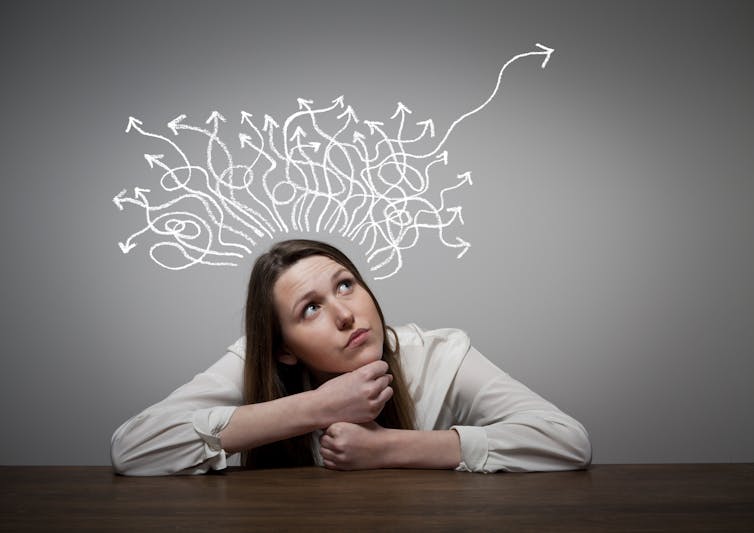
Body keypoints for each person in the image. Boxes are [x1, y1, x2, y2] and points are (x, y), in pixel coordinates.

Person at [111, 239, 591, 475]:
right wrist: (319, 407)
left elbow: (566, 441)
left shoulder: (437, 354)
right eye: (311, 308)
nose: (345, 313)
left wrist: (388, 448)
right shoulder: (253, 362)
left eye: (346, 284)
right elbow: (133, 448)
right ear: (283, 348)